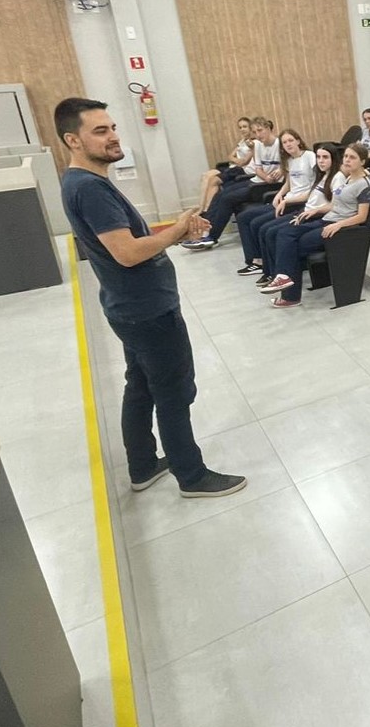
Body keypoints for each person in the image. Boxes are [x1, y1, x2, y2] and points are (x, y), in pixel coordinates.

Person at [54, 97, 246, 498]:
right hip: (147, 311)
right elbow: (126, 253)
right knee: (174, 393)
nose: (113, 137)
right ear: (73, 140)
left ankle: (141, 465)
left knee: (140, 386)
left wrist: (171, 234)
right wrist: (177, 231)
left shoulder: (83, 183)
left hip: (130, 307)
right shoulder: (89, 188)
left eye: (113, 128)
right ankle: (191, 476)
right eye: (100, 131)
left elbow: (123, 246)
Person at [259, 143, 370, 308]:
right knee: (285, 233)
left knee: (295, 244)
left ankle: (290, 295)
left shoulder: (364, 185)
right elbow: (335, 204)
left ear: (362, 161)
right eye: (346, 156)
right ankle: (284, 280)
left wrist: (338, 225)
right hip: (326, 218)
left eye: (353, 157)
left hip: (338, 226)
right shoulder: (348, 178)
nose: (348, 160)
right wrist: (315, 211)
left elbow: (362, 216)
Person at [246, 142, 338, 287]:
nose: (321, 160)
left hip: (314, 216)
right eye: (319, 157)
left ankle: (283, 276)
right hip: (305, 211)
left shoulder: (336, 177)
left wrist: (314, 210)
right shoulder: (321, 175)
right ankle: (273, 274)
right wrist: (284, 198)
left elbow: (336, 204)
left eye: (325, 157)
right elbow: (307, 193)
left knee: (278, 233)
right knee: (267, 230)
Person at [186, 116, 282, 249]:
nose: (258, 135)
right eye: (255, 132)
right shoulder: (258, 145)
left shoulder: (279, 145)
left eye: (260, 130)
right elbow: (258, 169)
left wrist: (280, 170)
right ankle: (205, 230)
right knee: (220, 193)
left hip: (266, 186)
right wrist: (265, 177)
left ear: (268, 128)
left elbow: (287, 165)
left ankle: (212, 237)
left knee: (227, 199)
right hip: (259, 180)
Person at [233, 129, 316, 276]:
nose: (288, 144)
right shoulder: (289, 160)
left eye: (291, 140)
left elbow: (314, 189)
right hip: (287, 200)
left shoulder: (310, 157)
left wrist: (288, 200)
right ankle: (256, 260)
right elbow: (289, 183)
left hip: (298, 203)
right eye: (284, 142)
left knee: (259, 225)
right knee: (244, 217)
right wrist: (279, 194)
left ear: (298, 140)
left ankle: (267, 268)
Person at [196, 116, 253, 213]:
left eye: (244, 127)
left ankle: (206, 210)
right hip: (232, 166)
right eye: (240, 127)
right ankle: (201, 207)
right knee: (205, 176)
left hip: (239, 170)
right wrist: (236, 159)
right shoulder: (242, 142)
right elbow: (230, 156)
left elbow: (243, 161)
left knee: (213, 181)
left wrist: (235, 159)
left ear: (250, 128)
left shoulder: (253, 142)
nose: (242, 129)